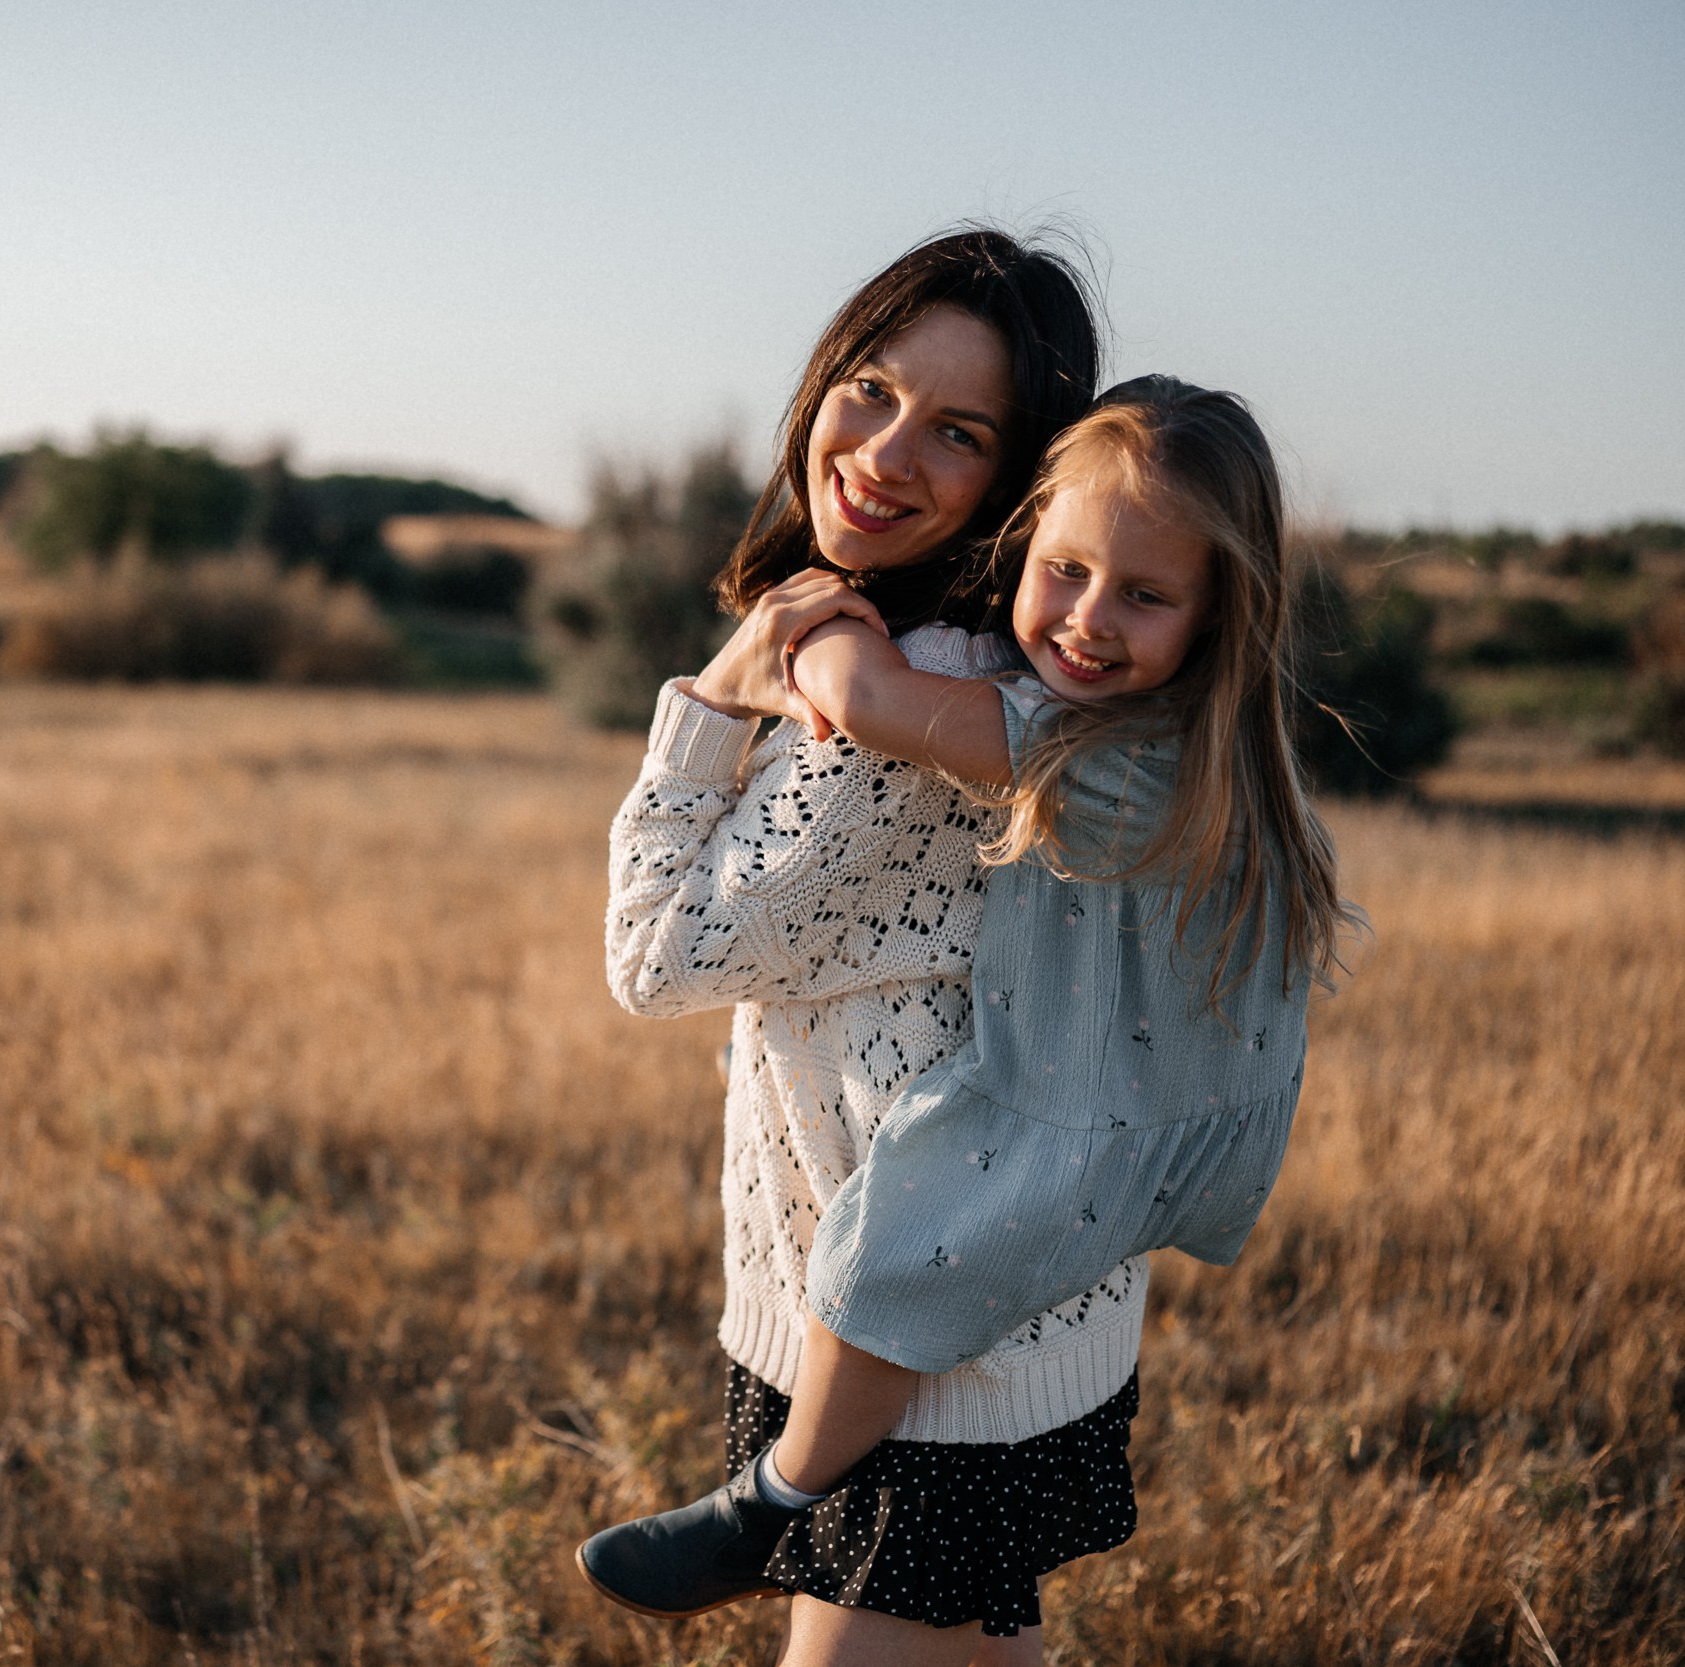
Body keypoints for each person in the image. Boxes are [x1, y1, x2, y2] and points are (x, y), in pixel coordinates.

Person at [586, 376, 1357, 1664]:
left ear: (1221, 619)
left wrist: (794, 645)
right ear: (1023, 540)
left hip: (1053, 1120)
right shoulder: (1171, 734)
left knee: (892, 1256)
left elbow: (869, 710)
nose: (1089, 623)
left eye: (1147, 596)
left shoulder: (1106, 750)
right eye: (1064, 570)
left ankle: (774, 1497)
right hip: (1091, 1145)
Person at [591, 227, 1138, 1663]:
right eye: (873, 389)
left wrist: (714, 700)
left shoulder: (905, 717)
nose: (885, 454)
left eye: (957, 433)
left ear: (1020, 485)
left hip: (914, 1352)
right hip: (992, 1325)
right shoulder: (984, 675)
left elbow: (654, 959)